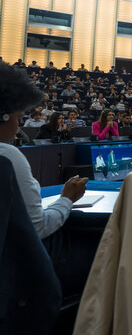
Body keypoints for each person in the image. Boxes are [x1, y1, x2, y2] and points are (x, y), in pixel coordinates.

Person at [0, 62, 91, 296]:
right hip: (23, 271)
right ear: (4, 116)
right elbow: (39, 227)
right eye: (18, 118)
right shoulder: (8, 155)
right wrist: (67, 199)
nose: (18, 126)